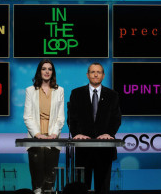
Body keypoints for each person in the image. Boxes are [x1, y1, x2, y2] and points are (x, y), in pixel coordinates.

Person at [69, 62, 121, 194]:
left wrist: (109, 134)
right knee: (81, 188)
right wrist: (77, 134)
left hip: (104, 150)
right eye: (92, 72)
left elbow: (116, 119)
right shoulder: (76, 93)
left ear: (103, 75)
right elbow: (72, 118)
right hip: (83, 149)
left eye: (99, 72)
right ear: (87, 75)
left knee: (103, 188)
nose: (96, 74)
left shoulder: (112, 95)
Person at [23, 59, 65, 194]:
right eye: (44, 68)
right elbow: (27, 116)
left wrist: (54, 134)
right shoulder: (30, 91)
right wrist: (37, 134)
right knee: (37, 182)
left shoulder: (60, 90)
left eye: (50, 69)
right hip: (36, 138)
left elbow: (60, 117)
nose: (47, 71)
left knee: (50, 181)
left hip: (53, 138)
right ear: (39, 71)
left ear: (53, 72)